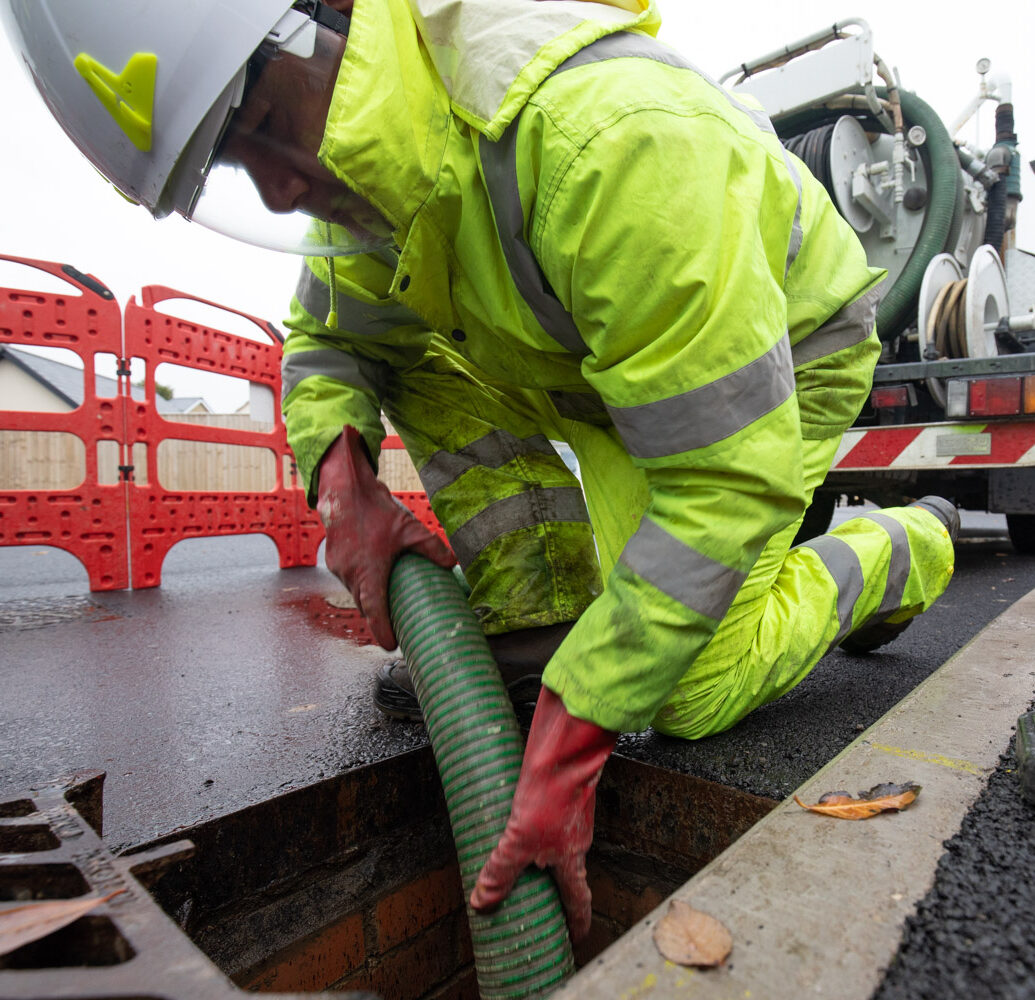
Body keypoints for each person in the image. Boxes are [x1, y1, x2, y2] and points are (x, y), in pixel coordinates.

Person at [3, 0, 957, 942]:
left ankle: (895, 550)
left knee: (687, 694)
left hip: (771, 361)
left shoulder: (612, 141)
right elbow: (328, 341)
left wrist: (575, 735)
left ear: (327, 18)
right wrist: (346, 489)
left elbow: (721, 480)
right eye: (231, 163)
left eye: (260, 127)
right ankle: (539, 613)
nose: (278, 192)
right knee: (404, 350)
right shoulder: (375, 161)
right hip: (584, 359)